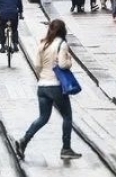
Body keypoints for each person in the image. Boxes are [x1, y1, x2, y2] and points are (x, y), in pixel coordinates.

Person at [13, 19, 81, 160]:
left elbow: (37, 66)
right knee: (67, 116)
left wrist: (43, 76)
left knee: (43, 117)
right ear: (62, 30)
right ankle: (66, 148)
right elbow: (62, 64)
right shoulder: (62, 44)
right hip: (55, 86)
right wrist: (69, 61)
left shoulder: (42, 44)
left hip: (42, 86)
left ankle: (24, 140)